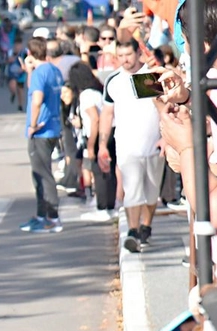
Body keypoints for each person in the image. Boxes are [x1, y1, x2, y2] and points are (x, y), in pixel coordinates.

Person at [98, 39, 161, 253]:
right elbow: (107, 113)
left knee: (151, 191)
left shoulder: (147, 76)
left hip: (153, 144)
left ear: (137, 53)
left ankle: (146, 226)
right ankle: (133, 231)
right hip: (126, 145)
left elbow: (162, 108)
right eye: (121, 55)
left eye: (129, 55)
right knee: (132, 189)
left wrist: (165, 137)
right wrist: (102, 144)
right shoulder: (114, 81)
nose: (125, 59)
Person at [19, 37, 65, 234]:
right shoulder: (53, 70)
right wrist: (29, 70)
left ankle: (52, 217)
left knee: (43, 175)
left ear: (30, 53)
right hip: (53, 126)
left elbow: (36, 99)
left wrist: (33, 124)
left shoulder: (40, 72)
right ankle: (41, 215)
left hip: (41, 130)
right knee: (39, 173)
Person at [68, 63, 110, 219]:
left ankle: (102, 205)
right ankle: (106, 203)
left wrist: (91, 145)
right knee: (105, 170)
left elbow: (94, 119)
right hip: (106, 132)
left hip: (95, 134)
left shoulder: (86, 95)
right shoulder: (97, 90)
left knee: (97, 171)